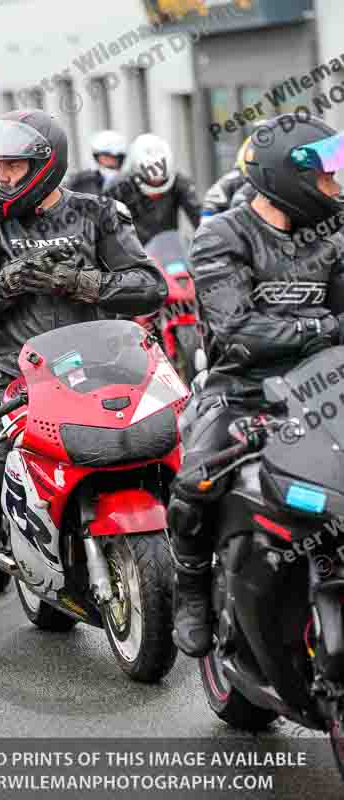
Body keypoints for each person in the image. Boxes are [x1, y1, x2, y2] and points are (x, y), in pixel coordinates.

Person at [0, 108, 168, 667]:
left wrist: (84, 282)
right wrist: (7, 282)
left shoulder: (101, 213)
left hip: (103, 370)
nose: (0, 177)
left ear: (43, 165)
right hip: (12, 377)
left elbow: (149, 286)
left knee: (173, 453)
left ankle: (194, 600)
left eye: (12, 167)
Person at [168, 114, 344, 658]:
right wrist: (321, 327)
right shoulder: (223, 235)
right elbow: (236, 332)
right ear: (286, 175)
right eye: (326, 177)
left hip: (324, 389)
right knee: (195, 482)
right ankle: (192, 590)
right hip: (239, 389)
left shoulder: (336, 234)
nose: (335, 187)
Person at [106, 133, 201, 246]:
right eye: (151, 179)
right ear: (137, 170)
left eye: (162, 179)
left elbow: (199, 217)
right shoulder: (118, 188)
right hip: (133, 255)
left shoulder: (180, 183)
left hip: (170, 253)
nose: (156, 183)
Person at [65, 129, 127, 195]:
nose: (112, 160)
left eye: (117, 157)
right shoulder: (79, 181)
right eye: (106, 156)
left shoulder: (128, 180)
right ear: (96, 156)